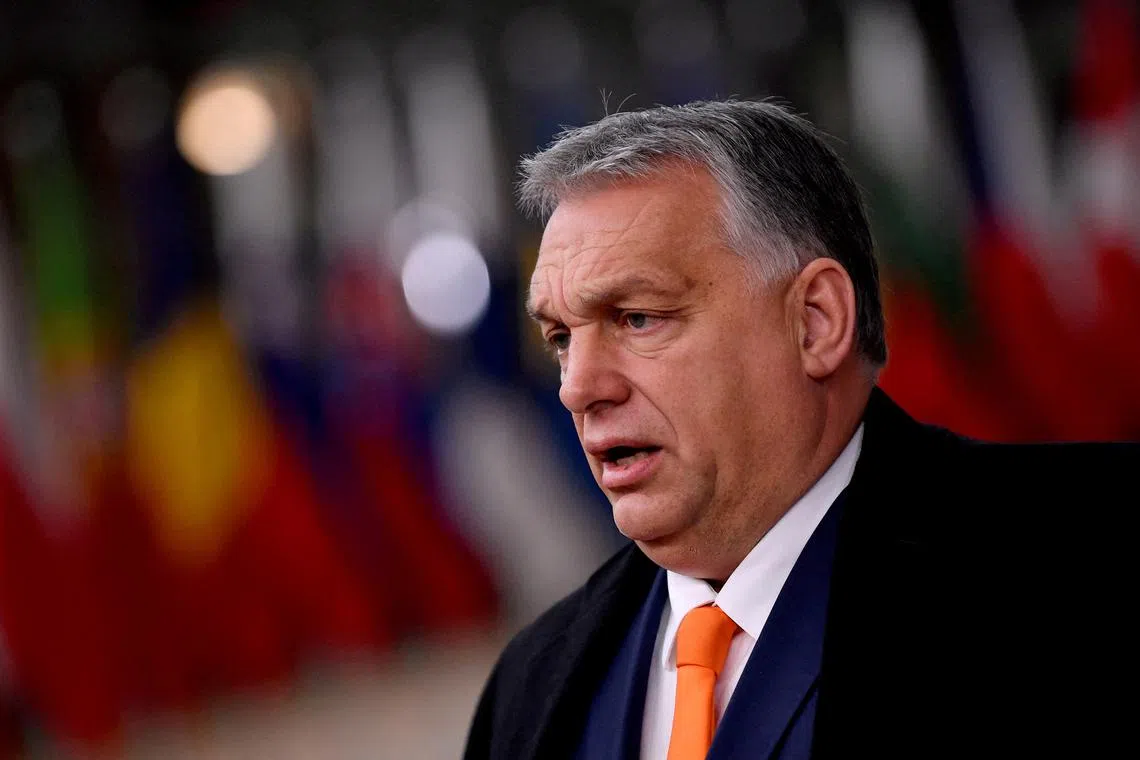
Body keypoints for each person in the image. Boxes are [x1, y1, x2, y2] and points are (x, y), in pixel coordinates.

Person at [463, 99, 1137, 760]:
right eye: (559, 337)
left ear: (814, 321)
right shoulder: (531, 684)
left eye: (638, 318)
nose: (577, 387)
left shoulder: (1086, 555)